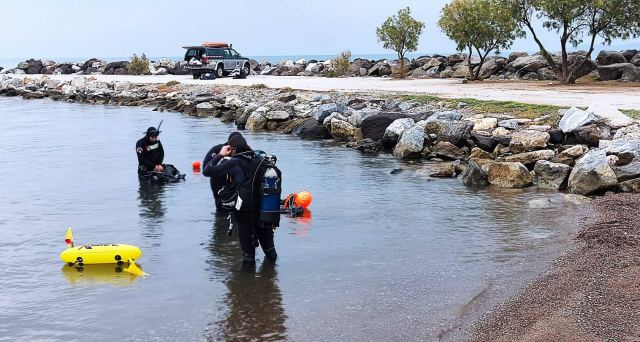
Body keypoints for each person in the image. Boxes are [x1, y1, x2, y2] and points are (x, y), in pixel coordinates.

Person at [203, 139, 278, 268]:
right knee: (271, 253)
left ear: (232, 149)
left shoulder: (235, 162)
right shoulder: (262, 161)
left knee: (248, 259)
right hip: (264, 212)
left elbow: (207, 171)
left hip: (245, 214)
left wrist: (220, 154)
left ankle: (247, 286)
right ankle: (271, 281)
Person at [203, 132, 245, 210]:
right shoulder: (217, 150)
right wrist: (220, 155)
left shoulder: (242, 150)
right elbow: (205, 170)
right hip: (219, 184)